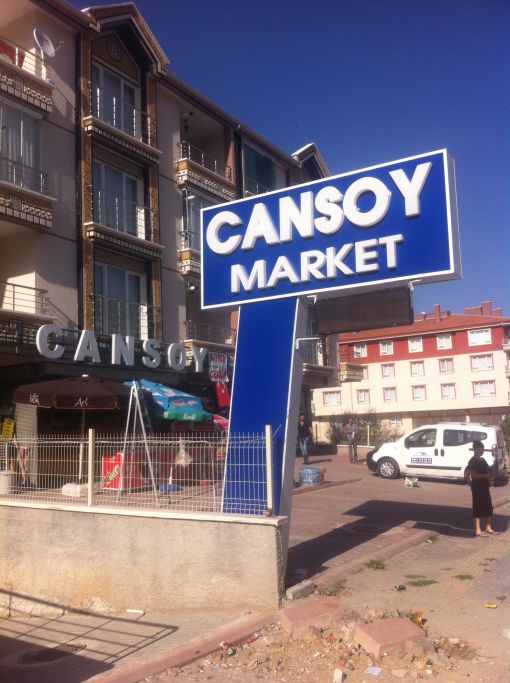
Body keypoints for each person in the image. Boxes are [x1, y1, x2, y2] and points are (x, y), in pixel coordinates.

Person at [467, 440, 498, 537]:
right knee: (478, 507)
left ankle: (488, 527)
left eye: (482, 449)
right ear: (475, 449)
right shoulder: (473, 461)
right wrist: (486, 475)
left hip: (485, 487)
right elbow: (473, 476)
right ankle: (478, 530)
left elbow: (489, 470)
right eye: (479, 449)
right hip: (477, 487)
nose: (481, 451)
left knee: (488, 506)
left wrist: (495, 464)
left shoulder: (483, 460)